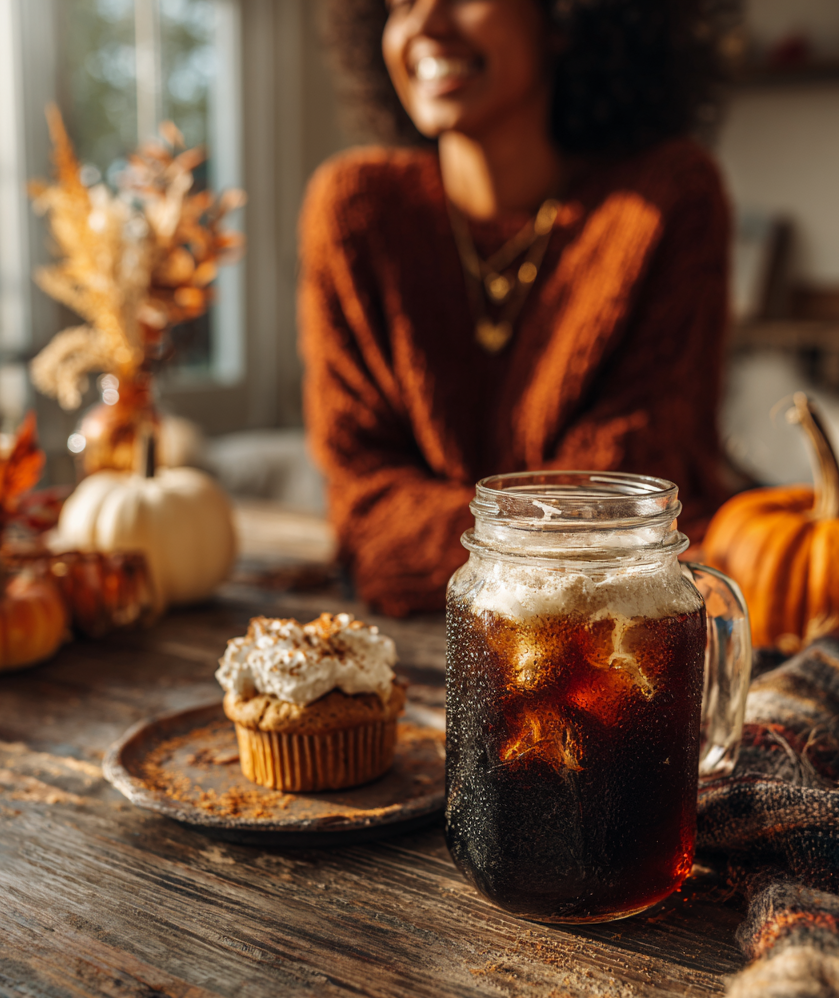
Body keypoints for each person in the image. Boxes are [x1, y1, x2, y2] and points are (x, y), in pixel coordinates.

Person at [299, 0, 732, 616]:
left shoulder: (665, 202)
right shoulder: (356, 211)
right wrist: (548, 542)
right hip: (426, 652)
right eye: (400, 3)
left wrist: (442, 539)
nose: (423, 23)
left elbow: (627, 514)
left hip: (623, 645)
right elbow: (365, 509)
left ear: (561, 17)